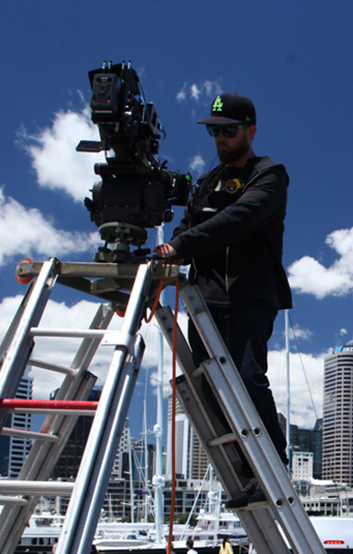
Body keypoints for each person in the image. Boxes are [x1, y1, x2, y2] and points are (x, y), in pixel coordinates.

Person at [154, 93, 291, 509]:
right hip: (205, 300)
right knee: (209, 387)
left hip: (251, 295)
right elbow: (184, 233)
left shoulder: (269, 175)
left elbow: (236, 221)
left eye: (228, 130)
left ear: (250, 130)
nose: (220, 138)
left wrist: (179, 246)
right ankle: (247, 472)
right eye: (214, 130)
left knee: (248, 378)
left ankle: (275, 468)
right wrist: (169, 257)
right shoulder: (205, 183)